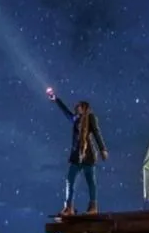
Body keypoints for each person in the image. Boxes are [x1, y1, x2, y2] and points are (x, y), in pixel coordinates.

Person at [46, 87, 108, 216]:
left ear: (84, 107)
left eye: (79, 106)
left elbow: (96, 133)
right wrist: (56, 99)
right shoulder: (75, 119)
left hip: (88, 155)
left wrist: (103, 149)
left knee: (90, 181)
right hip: (76, 156)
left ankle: (93, 207)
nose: (76, 107)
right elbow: (65, 112)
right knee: (70, 179)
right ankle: (69, 207)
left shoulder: (90, 117)